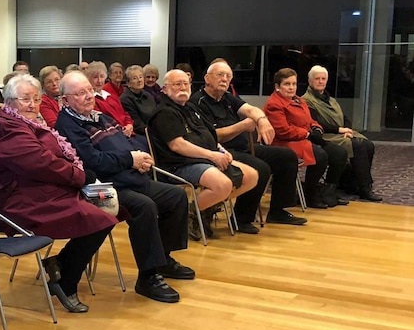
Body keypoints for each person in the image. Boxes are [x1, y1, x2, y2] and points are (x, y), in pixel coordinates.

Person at [0, 74, 116, 313]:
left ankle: (59, 263)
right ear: (9, 102)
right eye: (25, 99)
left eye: (35, 99)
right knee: (101, 218)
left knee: (113, 203)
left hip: (45, 191)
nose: (32, 104)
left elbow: (54, 160)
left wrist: (78, 175)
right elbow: (42, 163)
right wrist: (80, 177)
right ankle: (65, 281)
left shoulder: (28, 123)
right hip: (22, 203)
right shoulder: (7, 129)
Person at [56, 71, 193, 303]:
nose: (89, 96)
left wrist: (141, 157)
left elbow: (127, 141)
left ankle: (163, 259)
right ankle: (148, 277)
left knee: (176, 197)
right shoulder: (68, 125)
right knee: (145, 207)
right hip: (105, 187)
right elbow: (93, 162)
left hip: (130, 178)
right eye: (80, 93)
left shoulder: (100, 117)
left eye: (89, 90)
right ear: (65, 100)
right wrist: (130, 159)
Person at [191, 60, 307, 230]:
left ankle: (277, 210)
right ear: (207, 78)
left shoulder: (227, 97)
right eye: (220, 75)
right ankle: (240, 218)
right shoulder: (198, 102)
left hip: (242, 146)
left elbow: (251, 110)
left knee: (286, 156)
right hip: (222, 151)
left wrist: (262, 120)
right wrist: (243, 126)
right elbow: (212, 137)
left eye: (228, 76)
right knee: (261, 168)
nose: (225, 79)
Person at [147, 69, 259, 240]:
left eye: (186, 83)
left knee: (251, 176)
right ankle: (189, 214)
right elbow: (178, 145)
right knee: (222, 185)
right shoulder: (165, 112)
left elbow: (210, 135)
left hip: (204, 158)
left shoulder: (190, 108)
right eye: (177, 84)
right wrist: (212, 156)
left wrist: (222, 151)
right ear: (165, 88)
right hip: (179, 164)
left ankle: (202, 210)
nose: (182, 87)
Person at [264, 68, 350, 209]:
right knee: (320, 156)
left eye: (294, 84)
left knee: (339, 153)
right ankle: (310, 194)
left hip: (303, 138)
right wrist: (307, 134)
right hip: (284, 142)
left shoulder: (299, 100)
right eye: (287, 84)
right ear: (277, 87)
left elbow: (311, 121)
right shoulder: (274, 104)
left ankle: (328, 192)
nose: (291, 87)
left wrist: (316, 128)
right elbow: (283, 131)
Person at [302, 65, 382, 202]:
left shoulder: (331, 100)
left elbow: (345, 118)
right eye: (317, 79)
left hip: (340, 132)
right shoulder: (306, 100)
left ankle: (353, 183)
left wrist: (347, 129)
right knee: (358, 146)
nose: (321, 81)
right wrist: (339, 130)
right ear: (310, 81)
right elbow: (315, 122)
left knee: (368, 145)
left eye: (323, 79)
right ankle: (365, 187)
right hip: (325, 135)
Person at [119, 64, 156, 135]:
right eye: (135, 78)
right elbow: (137, 125)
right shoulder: (125, 99)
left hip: (154, 130)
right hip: (143, 134)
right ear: (128, 83)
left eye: (140, 77)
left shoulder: (148, 95)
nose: (139, 80)